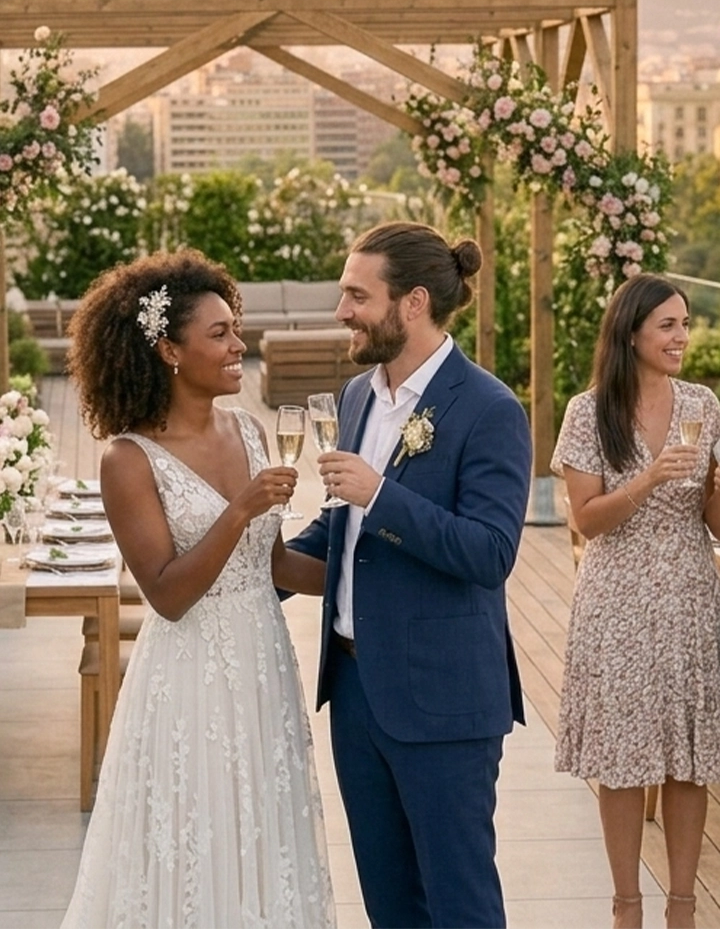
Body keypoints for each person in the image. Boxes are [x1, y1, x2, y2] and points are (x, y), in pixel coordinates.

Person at [60, 248, 335, 928]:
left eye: (234, 328)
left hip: (262, 663)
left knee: (261, 827)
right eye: (220, 334)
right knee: (195, 830)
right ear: (168, 351)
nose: (240, 344)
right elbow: (167, 594)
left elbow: (271, 565)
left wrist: (361, 578)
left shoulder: (246, 427)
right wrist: (239, 508)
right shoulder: (127, 458)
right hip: (187, 677)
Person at [286, 221, 533, 929]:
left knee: (459, 905)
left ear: (413, 302)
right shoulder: (361, 395)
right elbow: (343, 530)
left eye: (357, 296)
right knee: (391, 906)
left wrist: (382, 494)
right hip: (358, 692)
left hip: (444, 697)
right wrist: (253, 570)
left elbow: (489, 553)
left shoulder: (488, 408)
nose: (342, 311)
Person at [551, 273, 720, 929]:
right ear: (630, 334)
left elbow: (713, 522)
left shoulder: (704, 404)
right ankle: (626, 905)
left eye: (685, 324)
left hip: (689, 596)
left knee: (689, 756)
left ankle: (683, 905)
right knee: (623, 761)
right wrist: (650, 477)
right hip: (615, 600)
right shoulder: (587, 412)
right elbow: (587, 521)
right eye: (668, 326)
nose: (682, 336)